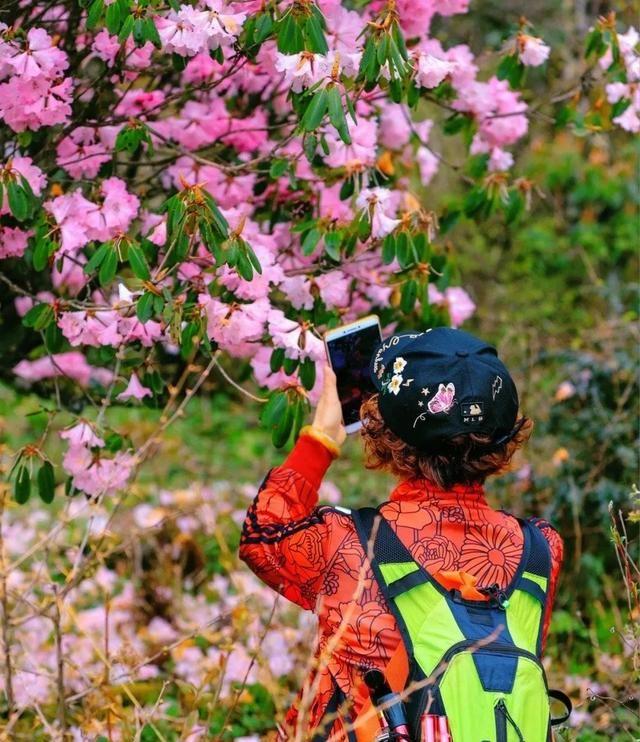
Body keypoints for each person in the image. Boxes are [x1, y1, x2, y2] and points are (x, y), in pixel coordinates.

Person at [240, 328, 564, 740]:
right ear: (503, 440)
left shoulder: (345, 541)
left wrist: (321, 438)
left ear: (385, 433)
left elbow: (262, 536)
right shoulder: (540, 549)